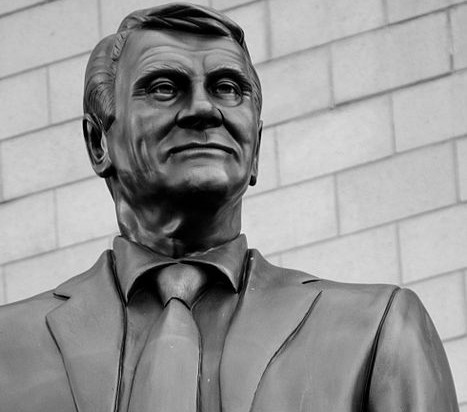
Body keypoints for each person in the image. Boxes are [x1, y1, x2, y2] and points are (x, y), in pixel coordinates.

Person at [0, 3, 459, 412]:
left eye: (227, 87)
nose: (203, 108)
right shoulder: (9, 348)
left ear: (255, 146)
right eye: (163, 87)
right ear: (99, 141)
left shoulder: (377, 332)